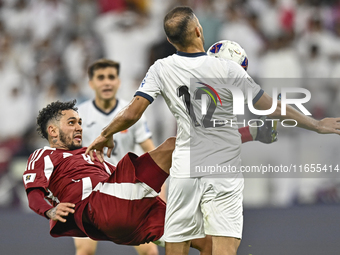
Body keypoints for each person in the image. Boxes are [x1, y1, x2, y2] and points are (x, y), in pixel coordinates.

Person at [85, 7, 340, 255]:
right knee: (224, 248)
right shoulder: (228, 69)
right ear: (198, 30)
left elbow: (131, 113)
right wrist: (316, 125)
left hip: (186, 169)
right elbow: (271, 107)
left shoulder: (160, 69)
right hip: (223, 172)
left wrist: (105, 134)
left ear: (169, 40)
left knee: (178, 245)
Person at [22, 100, 212, 254]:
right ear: (53, 131)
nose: (79, 127)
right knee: (171, 146)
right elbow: (33, 193)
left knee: (206, 242)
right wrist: (49, 211)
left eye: (80, 122)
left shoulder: (92, 154)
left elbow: (120, 180)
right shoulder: (44, 155)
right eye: (71, 123)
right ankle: (225, 139)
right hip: (98, 205)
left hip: (127, 218)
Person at [76, 59, 160, 255]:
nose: (107, 82)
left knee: (149, 250)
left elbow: (150, 150)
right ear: (91, 83)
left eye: (111, 77)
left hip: (125, 190)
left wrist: (159, 188)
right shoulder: (80, 115)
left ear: (118, 82)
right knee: (85, 249)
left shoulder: (131, 113)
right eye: (101, 78)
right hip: (91, 191)